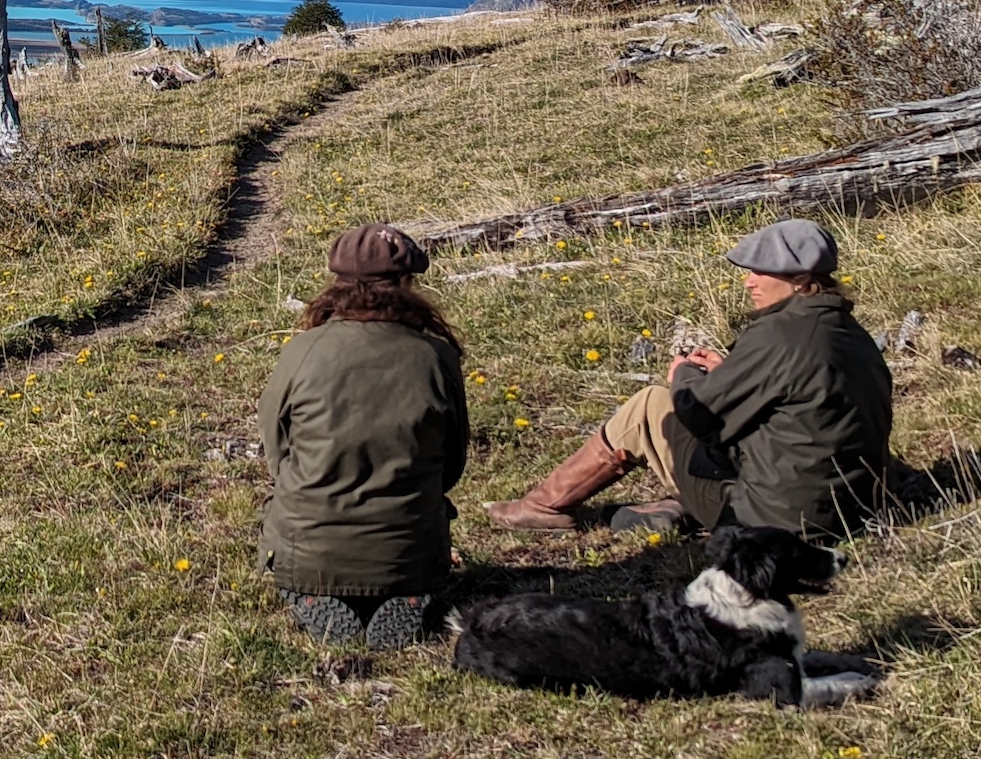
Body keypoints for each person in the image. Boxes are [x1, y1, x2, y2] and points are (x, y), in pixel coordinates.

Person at [485, 217, 891, 539]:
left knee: (650, 406)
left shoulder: (778, 333)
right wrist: (727, 371)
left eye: (762, 272)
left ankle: (544, 507)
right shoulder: (843, 331)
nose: (749, 280)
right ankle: (676, 509)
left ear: (801, 281)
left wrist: (684, 376)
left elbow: (699, 414)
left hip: (771, 519)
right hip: (851, 507)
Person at [257, 223, 471, 647]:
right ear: (407, 284)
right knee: (420, 539)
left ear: (335, 284)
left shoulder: (302, 351)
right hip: (411, 552)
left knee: (281, 512)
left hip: (309, 547)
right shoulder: (436, 355)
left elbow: (276, 453)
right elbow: (452, 461)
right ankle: (410, 594)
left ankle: (310, 594)